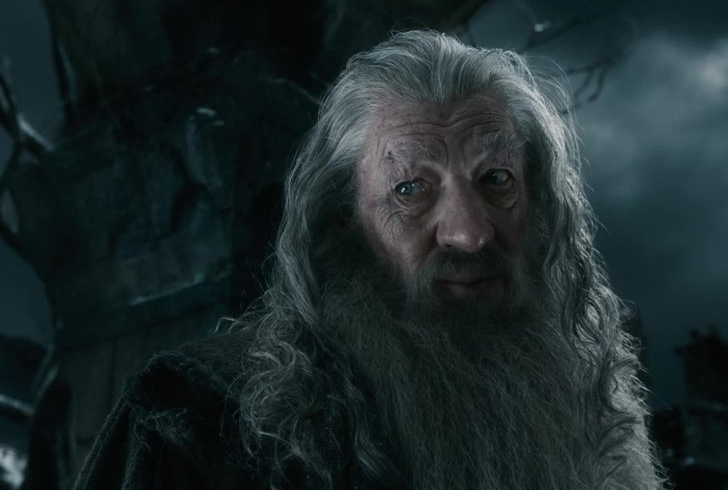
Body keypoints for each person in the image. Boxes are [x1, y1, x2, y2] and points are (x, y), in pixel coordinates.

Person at [74, 30, 666, 489]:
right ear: (342, 223)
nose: (469, 233)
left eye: (496, 179)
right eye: (411, 189)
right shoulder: (193, 419)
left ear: (540, 205)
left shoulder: (590, 412)